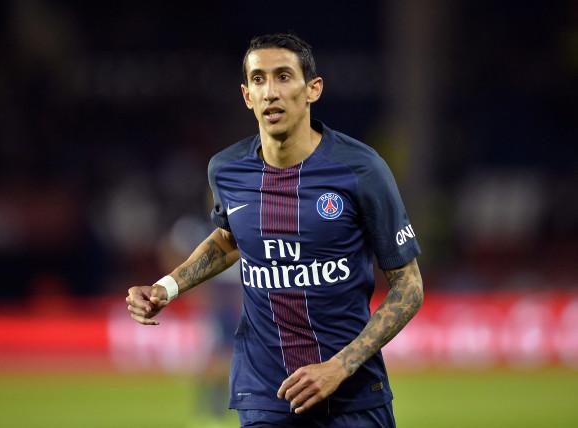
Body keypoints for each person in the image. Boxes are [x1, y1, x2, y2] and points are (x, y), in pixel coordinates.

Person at [126, 32, 423, 428]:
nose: (270, 92)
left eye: (283, 77)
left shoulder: (361, 169)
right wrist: (167, 287)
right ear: (247, 96)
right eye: (259, 80)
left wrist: (340, 367)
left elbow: (409, 287)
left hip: (352, 394)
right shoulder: (227, 170)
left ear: (313, 89)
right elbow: (229, 238)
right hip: (265, 394)